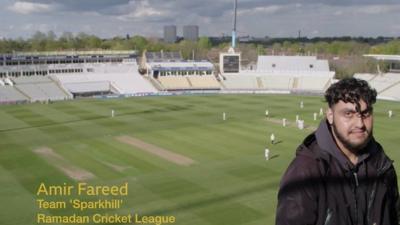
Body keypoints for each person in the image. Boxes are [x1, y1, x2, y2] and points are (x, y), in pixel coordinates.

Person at [276, 78, 400, 225]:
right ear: (330, 116)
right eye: (348, 114)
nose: (360, 124)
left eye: (365, 114)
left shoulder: (382, 166)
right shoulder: (305, 173)